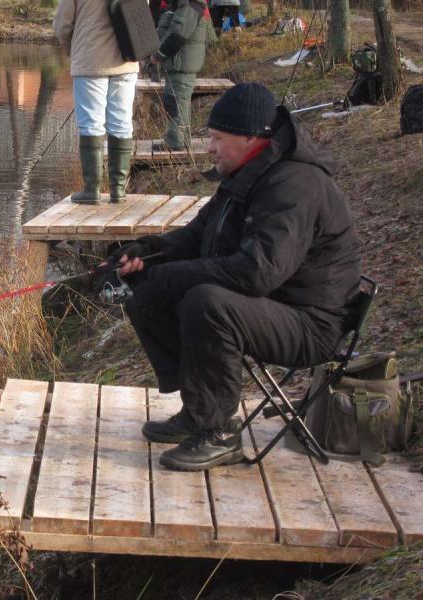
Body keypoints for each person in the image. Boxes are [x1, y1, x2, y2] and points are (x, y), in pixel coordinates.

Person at [109, 82, 361, 471]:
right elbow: (196, 235)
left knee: (207, 303)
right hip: (273, 306)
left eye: (217, 138)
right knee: (148, 294)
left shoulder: (295, 184)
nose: (209, 147)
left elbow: (257, 272)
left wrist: (174, 276)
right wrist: (147, 252)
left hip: (310, 323)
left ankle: (219, 433)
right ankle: (199, 411)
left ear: (249, 137)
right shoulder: (249, 172)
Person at [53, 0, 138, 204]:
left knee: (91, 124)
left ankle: (92, 190)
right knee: (121, 123)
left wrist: (72, 49)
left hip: (90, 59)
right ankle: (118, 190)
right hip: (126, 60)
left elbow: (62, 24)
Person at [151, 0, 208, 151]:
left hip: (182, 63)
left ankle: (175, 141)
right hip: (178, 63)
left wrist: (158, 55)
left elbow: (178, 35)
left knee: (175, 102)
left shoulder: (189, 5)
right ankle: (183, 140)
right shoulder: (181, 4)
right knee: (179, 102)